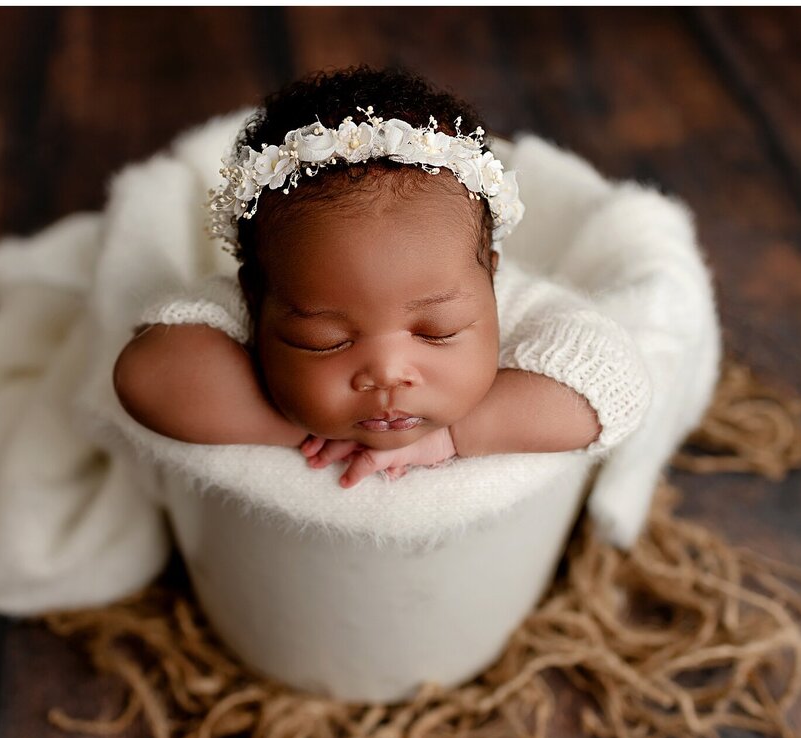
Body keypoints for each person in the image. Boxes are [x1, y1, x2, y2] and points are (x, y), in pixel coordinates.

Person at [113, 67, 653, 488]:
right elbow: (148, 374)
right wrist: (296, 427)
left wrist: (457, 434)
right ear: (256, 296)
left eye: (436, 331)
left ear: (490, 273)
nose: (388, 374)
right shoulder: (257, 305)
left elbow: (613, 385)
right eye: (325, 341)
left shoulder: (516, 305)